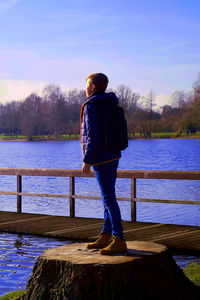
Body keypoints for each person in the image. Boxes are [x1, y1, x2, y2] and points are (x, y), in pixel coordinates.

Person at [80, 73, 127, 255]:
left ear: (92, 87)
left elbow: (92, 135)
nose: (85, 89)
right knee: (107, 196)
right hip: (114, 154)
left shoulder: (91, 105)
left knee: (108, 198)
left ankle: (119, 238)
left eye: (86, 85)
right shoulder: (110, 102)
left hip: (100, 157)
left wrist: (87, 160)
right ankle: (106, 235)